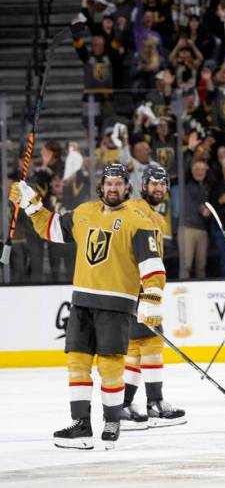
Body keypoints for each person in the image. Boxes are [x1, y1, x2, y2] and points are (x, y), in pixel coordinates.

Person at [9, 163, 165, 449]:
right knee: (77, 364)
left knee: (110, 365)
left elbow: (153, 266)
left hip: (116, 305)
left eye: (119, 183)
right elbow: (52, 228)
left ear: (127, 188)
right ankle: (81, 425)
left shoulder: (139, 220)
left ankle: (112, 421)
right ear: (101, 186)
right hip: (82, 302)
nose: (113, 188)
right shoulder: (84, 213)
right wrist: (31, 204)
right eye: (109, 183)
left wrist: (152, 297)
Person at [119, 165, 186, 430]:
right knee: (150, 345)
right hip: (136, 290)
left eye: (162, 184)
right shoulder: (136, 208)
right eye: (153, 183)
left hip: (142, 290)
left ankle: (128, 404)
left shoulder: (158, 219)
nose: (158, 188)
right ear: (143, 186)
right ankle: (152, 403)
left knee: (139, 348)